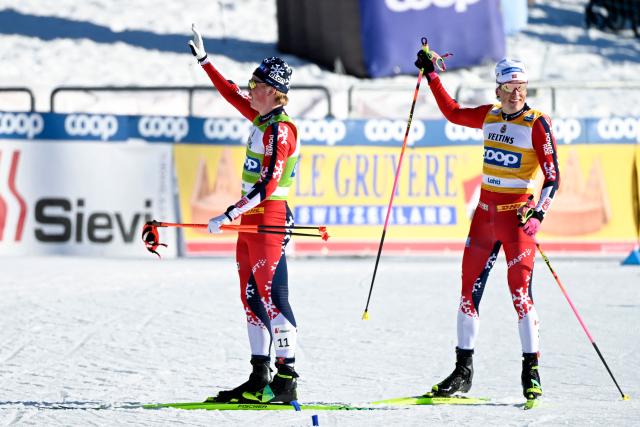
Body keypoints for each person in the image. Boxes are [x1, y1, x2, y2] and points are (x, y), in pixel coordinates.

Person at [414, 49, 560, 403]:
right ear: (497, 90)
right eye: (509, 87)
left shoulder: (536, 123)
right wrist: (432, 75)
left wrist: (538, 213)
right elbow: (452, 112)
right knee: (468, 292)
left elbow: (553, 177)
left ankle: (531, 370)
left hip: (516, 220)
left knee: (520, 294)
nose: (516, 93)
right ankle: (463, 371)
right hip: (483, 218)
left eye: (522, 87)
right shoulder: (489, 116)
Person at [188, 24, 300, 404]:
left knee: (273, 297)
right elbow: (228, 91)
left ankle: (286, 380)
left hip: (269, 217)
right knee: (250, 296)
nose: (249, 90)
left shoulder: (281, 130)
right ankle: (258, 376)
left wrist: (231, 212)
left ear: (271, 91)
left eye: (255, 85)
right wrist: (205, 62)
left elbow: (269, 183)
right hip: (252, 220)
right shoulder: (260, 119)